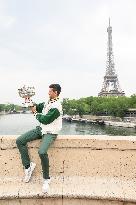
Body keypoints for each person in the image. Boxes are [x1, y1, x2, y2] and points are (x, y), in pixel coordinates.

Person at [16, 84, 62, 193]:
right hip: (41, 129)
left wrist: (35, 113)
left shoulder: (57, 106)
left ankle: (46, 179)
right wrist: (28, 99)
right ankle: (28, 167)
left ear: (56, 93)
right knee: (20, 141)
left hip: (50, 132)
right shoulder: (48, 102)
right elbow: (37, 106)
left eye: (50, 91)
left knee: (41, 152)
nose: (48, 93)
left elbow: (45, 120)